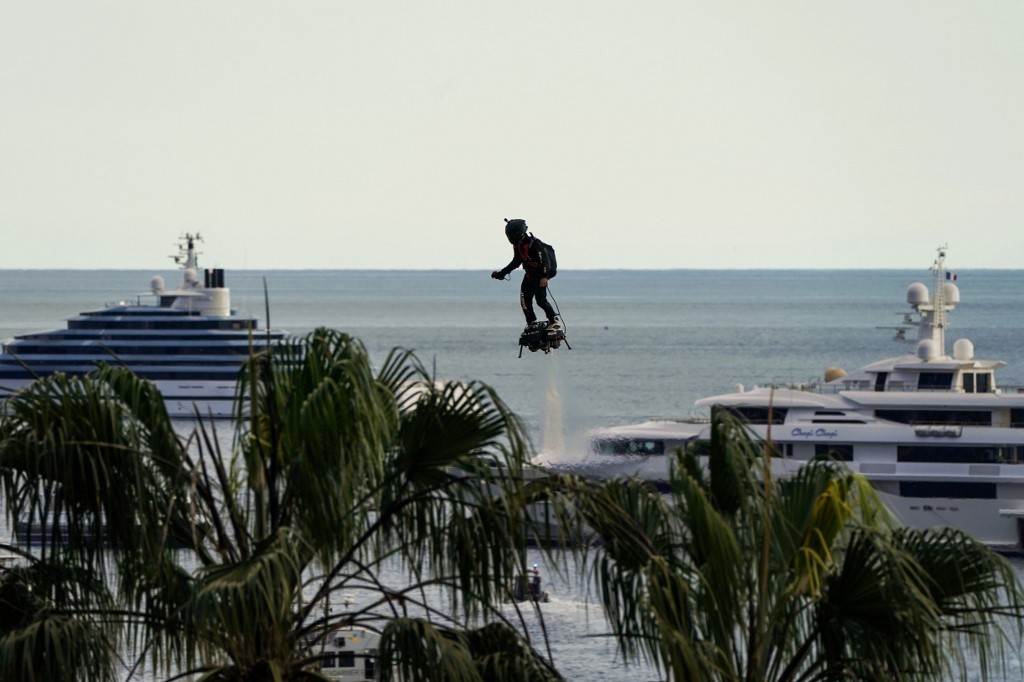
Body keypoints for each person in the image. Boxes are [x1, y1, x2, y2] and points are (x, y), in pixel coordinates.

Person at [491, 218, 562, 332]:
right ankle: (531, 322)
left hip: (540, 275)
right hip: (530, 275)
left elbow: (544, 261)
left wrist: (544, 276)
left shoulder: (535, 243)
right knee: (525, 300)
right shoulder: (517, 245)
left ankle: (555, 321)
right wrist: (502, 273)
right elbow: (516, 261)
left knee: (541, 300)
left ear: (518, 233)